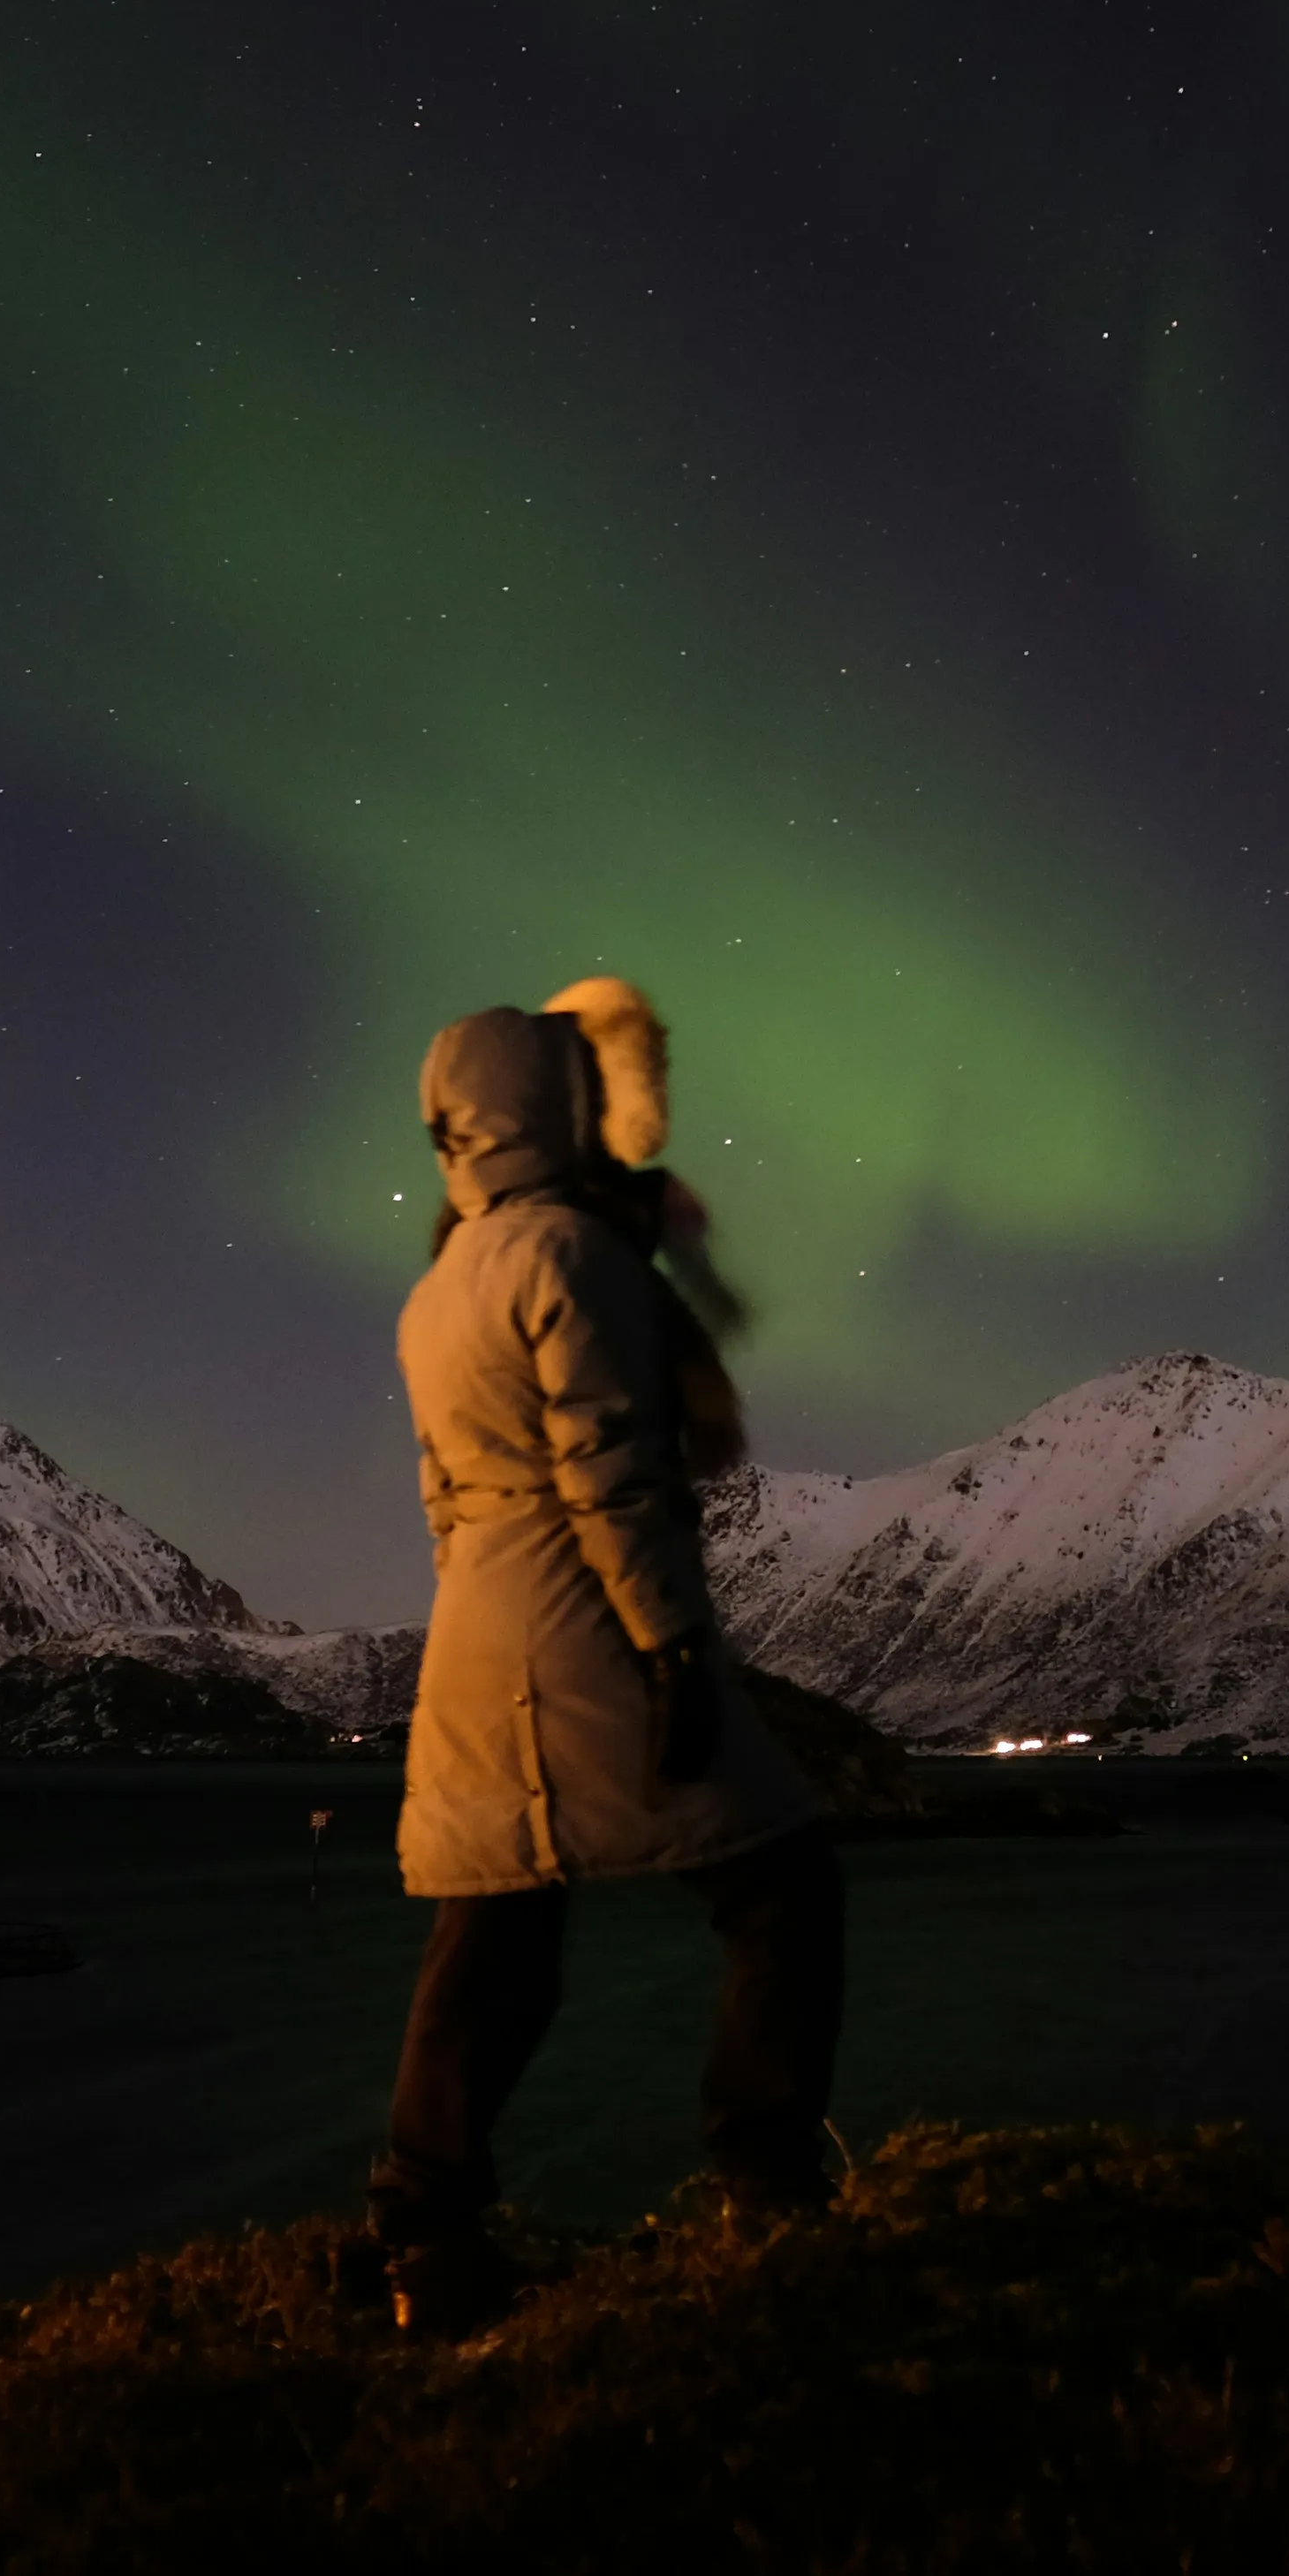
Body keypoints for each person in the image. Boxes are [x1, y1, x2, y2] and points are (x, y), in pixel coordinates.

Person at [370, 980, 839, 2336]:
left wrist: (484, 1612)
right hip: (587, 1621)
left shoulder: (438, 1286)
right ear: (555, 1106)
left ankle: (424, 2232)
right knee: (783, 1886)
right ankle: (766, 2178)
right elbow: (612, 1474)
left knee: (501, 1928)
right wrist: (673, 1646)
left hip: (478, 1629)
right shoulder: (573, 1256)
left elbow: (444, 1498)